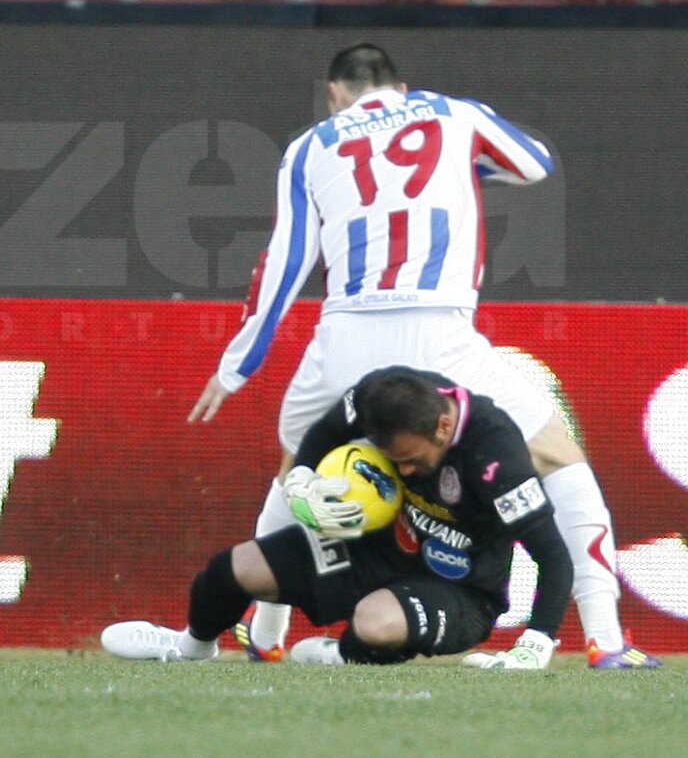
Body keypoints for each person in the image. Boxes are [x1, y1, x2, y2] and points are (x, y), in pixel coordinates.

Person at [187, 43, 659, 669]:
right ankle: (606, 638)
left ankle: (266, 637)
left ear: (334, 94)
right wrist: (463, 171)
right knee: (562, 461)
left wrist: (237, 365)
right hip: (439, 332)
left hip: (345, 333)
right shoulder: (453, 114)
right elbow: (535, 164)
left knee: (297, 473)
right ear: (400, 87)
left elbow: (285, 258)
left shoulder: (310, 146)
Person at [104, 367, 573, 669]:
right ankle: (191, 647)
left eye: (412, 461)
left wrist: (534, 646)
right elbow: (325, 432)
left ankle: (341, 657)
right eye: (397, 462)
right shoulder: (377, 395)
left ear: (444, 426)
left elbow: (553, 556)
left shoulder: (497, 457)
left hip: (461, 588)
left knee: (376, 625)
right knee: (235, 568)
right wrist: (301, 479)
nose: (407, 472)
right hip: (377, 548)